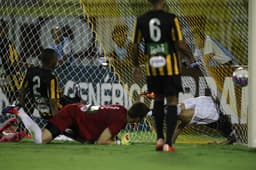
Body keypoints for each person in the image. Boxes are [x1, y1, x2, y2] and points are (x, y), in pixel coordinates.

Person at [132, 0, 194, 152]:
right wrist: (190, 57)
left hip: (153, 68)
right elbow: (180, 44)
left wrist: (135, 66)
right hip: (170, 68)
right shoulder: (171, 18)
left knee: (158, 100)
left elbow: (134, 45)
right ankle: (169, 144)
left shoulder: (141, 20)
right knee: (172, 102)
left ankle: (159, 139)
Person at [2, 102, 149, 144]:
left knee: (87, 141)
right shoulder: (121, 120)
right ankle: (19, 111)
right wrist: (119, 143)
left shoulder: (121, 109)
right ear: (138, 118)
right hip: (71, 115)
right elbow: (102, 141)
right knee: (40, 140)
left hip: (77, 114)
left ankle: (65, 132)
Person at [172, 96, 237, 144]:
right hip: (211, 110)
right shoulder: (222, 125)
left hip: (208, 102)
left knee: (181, 113)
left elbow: (181, 124)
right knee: (182, 115)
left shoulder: (220, 120)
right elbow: (231, 139)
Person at [19, 48, 60, 120]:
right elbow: (53, 104)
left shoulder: (30, 71)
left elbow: (22, 91)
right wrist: (57, 123)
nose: (57, 61)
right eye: (56, 59)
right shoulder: (51, 78)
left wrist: (22, 110)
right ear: (51, 61)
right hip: (52, 112)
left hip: (39, 108)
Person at [0, 19, 22, 103]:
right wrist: (21, 64)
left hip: (9, 74)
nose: (6, 30)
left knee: (10, 97)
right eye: (4, 28)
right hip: (11, 75)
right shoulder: (4, 43)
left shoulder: (8, 42)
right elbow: (8, 61)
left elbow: (15, 58)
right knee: (15, 96)